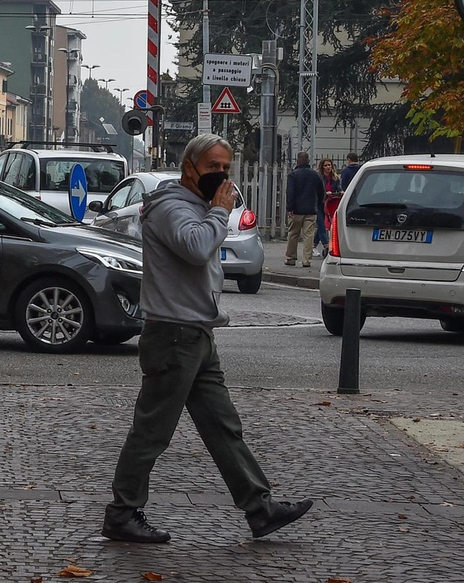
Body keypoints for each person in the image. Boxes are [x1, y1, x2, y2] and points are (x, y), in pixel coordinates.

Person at [102, 133, 313, 544]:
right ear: (189, 168)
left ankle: (260, 508)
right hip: (173, 334)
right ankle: (122, 513)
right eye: (212, 167)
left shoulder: (194, 206)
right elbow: (197, 248)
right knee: (152, 431)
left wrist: (213, 210)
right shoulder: (171, 208)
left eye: (226, 169)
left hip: (197, 333)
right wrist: (219, 211)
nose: (221, 175)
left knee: (222, 426)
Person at [284, 152, 324, 267]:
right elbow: (321, 191)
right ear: (308, 161)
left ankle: (291, 258)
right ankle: (307, 260)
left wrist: (289, 208)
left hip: (296, 210)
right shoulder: (315, 175)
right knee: (309, 235)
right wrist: (318, 204)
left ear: (297, 161)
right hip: (311, 209)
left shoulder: (293, 175)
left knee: (293, 234)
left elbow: (290, 193)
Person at [316, 158, 342, 255]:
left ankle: (313, 246)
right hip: (320, 204)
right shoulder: (319, 178)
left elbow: (339, 187)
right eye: (326, 165)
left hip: (329, 204)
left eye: (329, 165)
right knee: (322, 225)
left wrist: (340, 191)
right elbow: (318, 191)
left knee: (323, 226)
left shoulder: (335, 178)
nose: (328, 167)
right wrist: (325, 193)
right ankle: (326, 245)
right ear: (322, 167)